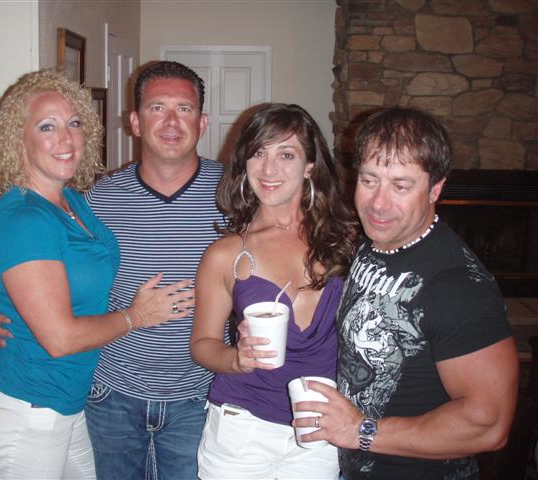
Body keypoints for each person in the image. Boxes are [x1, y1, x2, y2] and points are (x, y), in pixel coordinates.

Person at [0, 61, 225, 479]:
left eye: (184, 109)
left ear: (202, 122)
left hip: (198, 397)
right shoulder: (99, 198)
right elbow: (36, 276)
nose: (171, 122)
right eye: (157, 108)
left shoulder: (236, 196)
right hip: (109, 396)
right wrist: (3, 308)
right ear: (134, 121)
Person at [293, 107, 519, 479]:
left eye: (401, 186)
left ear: (435, 189)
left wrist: (361, 431)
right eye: (369, 180)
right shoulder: (374, 242)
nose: (378, 203)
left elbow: (488, 424)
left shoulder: (458, 285)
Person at [190, 103, 357, 479]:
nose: (269, 169)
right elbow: (202, 344)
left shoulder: (346, 241)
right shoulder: (226, 254)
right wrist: (236, 358)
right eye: (258, 153)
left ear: (309, 165)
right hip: (240, 427)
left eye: (286, 154)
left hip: (320, 427)